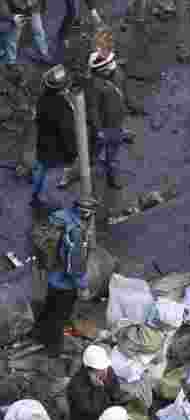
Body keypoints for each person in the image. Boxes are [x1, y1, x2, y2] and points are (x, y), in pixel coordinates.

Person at [35, 198, 97, 354]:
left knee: (49, 308)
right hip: (65, 283)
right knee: (60, 317)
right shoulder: (76, 231)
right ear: (85, 212)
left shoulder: (60, 216)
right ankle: (53, 349)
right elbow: (75, 266)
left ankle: (38, 334)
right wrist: (83, 287)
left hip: (52, 276)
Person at [31, 65, 76, 209]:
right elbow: (67, 133)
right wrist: (72, 153)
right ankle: (44, 199)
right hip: (57, 150)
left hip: (42, 143)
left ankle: (36, 195)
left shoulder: (42, 99)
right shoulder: (62, 107)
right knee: (52, 175)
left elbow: (38, 119)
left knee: (41, 170)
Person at [86, 50, 127, 188]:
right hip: (103, 126)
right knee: (95, 150)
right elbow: (93, 109)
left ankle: (112, 177)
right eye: (108, 64)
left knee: (112, 153)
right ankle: (87, 170)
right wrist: (98, 130)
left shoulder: (117, 75)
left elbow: (123, 92)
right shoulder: (94, 85)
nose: (112, 65)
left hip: (117, 123)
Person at [67, 344, 120, 420]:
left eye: (105, 367)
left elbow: (115, 392)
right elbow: (90, 411)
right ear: (89, 370)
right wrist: (98, 389)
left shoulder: (108, 371)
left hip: (106, 417)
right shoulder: (76, 385)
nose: (104, 371)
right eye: (100, 369)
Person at [0, 0, 49, 64]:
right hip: (15, 11)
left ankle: (44, 52)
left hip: (33, 8)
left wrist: (43, 7)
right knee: (12, 36)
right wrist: (12, 17)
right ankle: (10, 60)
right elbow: (3, 9)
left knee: (37, 28)